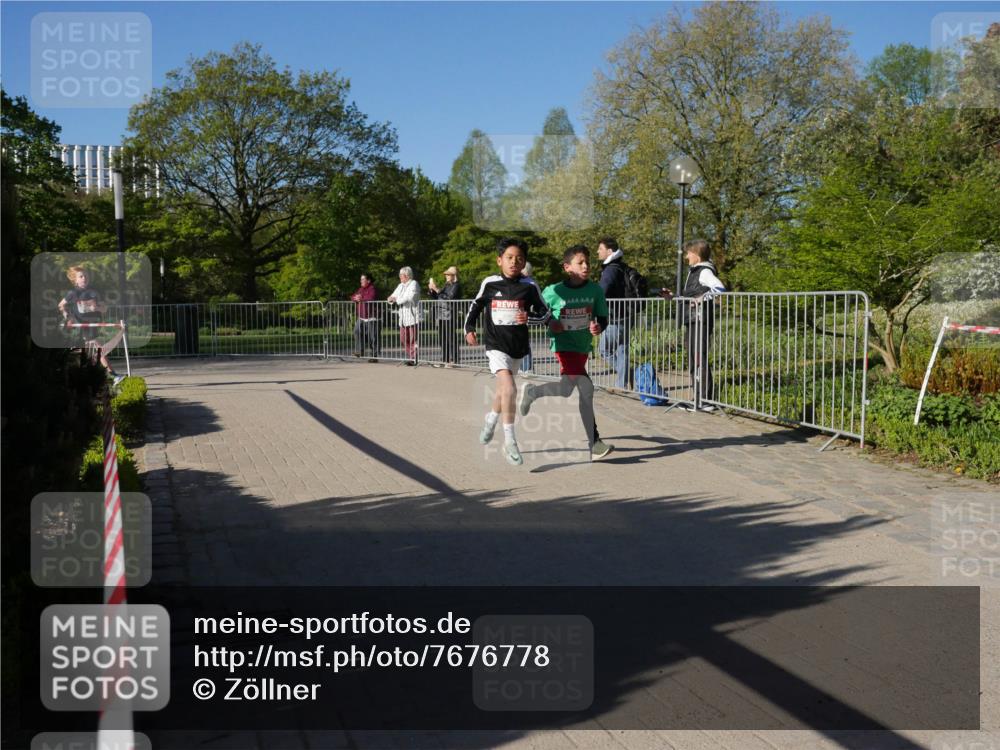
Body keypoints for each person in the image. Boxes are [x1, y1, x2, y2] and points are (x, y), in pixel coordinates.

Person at [464, 238, 560, 466]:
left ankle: (490, 420)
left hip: (517, 347)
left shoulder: (530, 286)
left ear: (524, 262)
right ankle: (510, 442)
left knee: (503, 392)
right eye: (509, 257)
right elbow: (475, 306)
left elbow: (546, 316)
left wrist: (530, 318)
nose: (514, 262)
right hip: (495, 345)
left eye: (519, 258)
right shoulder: (490, 283)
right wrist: (469, 328)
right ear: (499, 260)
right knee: (509, 387)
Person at [517, 245, 614, 460]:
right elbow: (537, 313)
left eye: (587, 261)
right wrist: (551, 322)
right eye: (580, 262)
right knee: (585, 388)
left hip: (583, 346)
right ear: (567, 267)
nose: (586, 265)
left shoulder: (595, 290)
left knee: (565, 389)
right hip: (563, 345)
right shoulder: (554, 291)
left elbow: (603, 318)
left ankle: (533, 393)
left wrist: (598, 327)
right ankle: (595, 443)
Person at [679, 239, 726, 409]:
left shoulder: (704, 271)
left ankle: (705, 400)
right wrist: (673, 297)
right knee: (694, 358)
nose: (686, 256)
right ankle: (697, 398)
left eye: (688, 253)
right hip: (693, 320)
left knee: (699, 358)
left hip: (700, 320)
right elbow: (692, 294)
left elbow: (719, 288)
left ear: (697, 256)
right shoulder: (695, 271)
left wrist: (702, 298)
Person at [58, 265, 125, 385]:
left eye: (86, 276)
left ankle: (91, 377)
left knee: (91, 353)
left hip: (93, 325)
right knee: (99, 350)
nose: (84, 278)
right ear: (75, 280)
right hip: (83, 326)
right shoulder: (73, 293)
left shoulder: (94, 292)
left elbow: (104, 308)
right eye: (81, 276)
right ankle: (113, 375)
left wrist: (97, 307)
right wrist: (67, 316)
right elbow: (61, 305)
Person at [596, 237, 633, 390]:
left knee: (604, 350)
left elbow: (602, 290)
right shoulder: (621, 266)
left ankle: (629, 374)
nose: (598, 251)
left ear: (609, 251)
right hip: (627, 314)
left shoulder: (610, 269)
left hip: (615, 316)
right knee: (622, 349)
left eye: (600, 249)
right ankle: (622, 383)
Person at [428, 266, 461, 367]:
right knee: (442, 338)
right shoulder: (447, 285)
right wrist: (431, 291)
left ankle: (455, 361)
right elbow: (439, 296)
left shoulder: (456, 285)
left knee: (451, 338)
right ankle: (444, 359)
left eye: (448, 274)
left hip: (450, 313)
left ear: (453, 275)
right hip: (441, 314)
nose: (446, 276)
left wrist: (436, 289)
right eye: (446, 274)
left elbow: (449, 297)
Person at [388, 266, 420, 365]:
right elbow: (392, 296)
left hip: (412, 316)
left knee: (413, 339)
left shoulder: (414, 283)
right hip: (402, 317)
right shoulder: (400, 285)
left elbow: (409, 297)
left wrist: (397, 299)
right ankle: (410, 356)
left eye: (401, 275)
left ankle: (414, 358)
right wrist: (391, 298)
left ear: (407, 275)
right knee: (403, 339)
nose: (400, 277)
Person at [350, 272, 380, 362]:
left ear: (368, 280)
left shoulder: (372, 288)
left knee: (373, 337)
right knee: (357, 331)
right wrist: (355, 298)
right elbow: (353, 296)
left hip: (372, 317)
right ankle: (359, 351)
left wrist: (361, 298)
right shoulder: (361, 289)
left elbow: (371, 298)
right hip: (362, 317)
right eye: (361, 279)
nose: (361, 281)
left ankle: (374, 356)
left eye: (363, 279)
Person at [520, 262, 539, 373]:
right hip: (520, 317)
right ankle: (525, 367)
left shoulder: (530, 284)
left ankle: (527, 368)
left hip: (524, 317)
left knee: (524, 342)